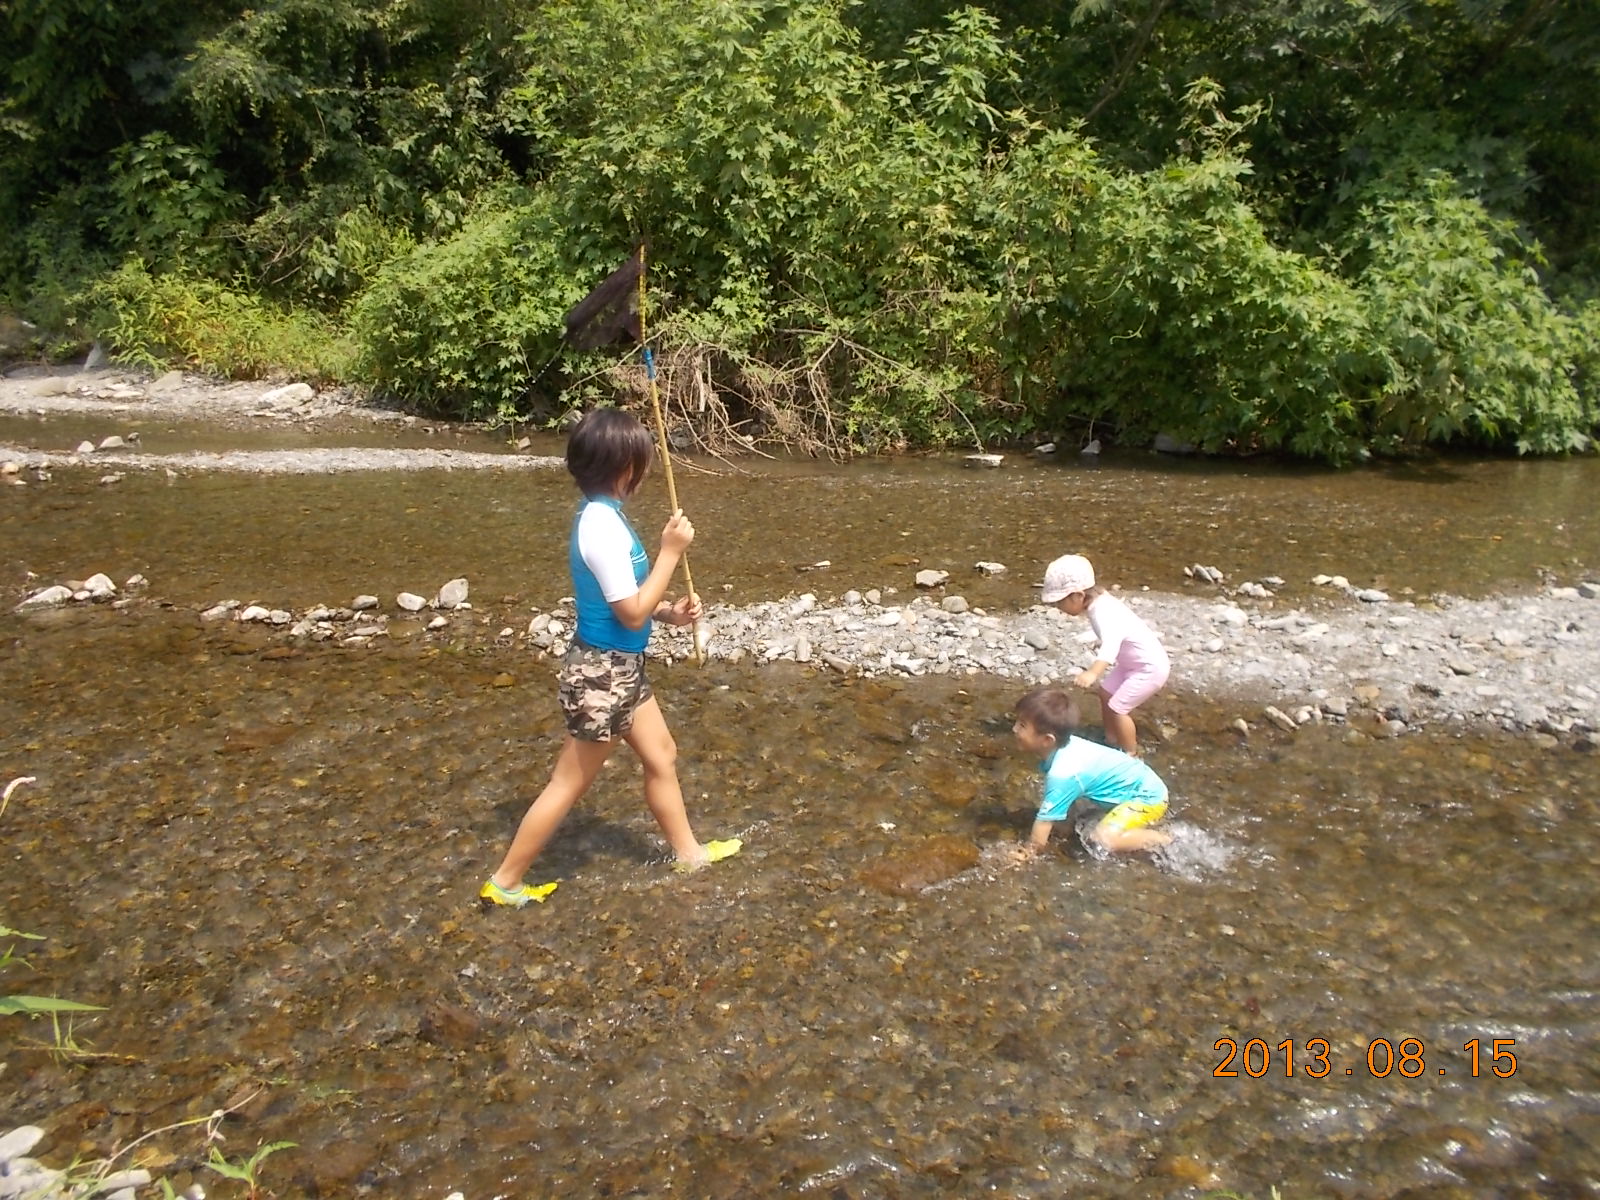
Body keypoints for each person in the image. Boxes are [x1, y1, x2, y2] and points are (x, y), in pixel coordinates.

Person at [480, 407, 741, 907]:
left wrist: (670, 614)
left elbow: (630, 603)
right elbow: (627, 613)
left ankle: (689, 856)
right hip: (600, 675)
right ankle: (505, 882)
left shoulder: (609, 518)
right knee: (567, 784)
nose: (643, 471)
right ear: (624, 467)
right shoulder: (599, 528)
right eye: (640, 462)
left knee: (661, 755)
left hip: (620, 669)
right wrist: (669, 553)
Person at [1008, 685, 1172, 856]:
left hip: (1148, 799)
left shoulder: (1063, 774)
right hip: (1141, 783)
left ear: (1047, 740)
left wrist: (1025, 854)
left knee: (1101, 839)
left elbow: (1041, 830)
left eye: (1022, 725)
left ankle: (1165, 840)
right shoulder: (1066, 747)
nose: (1014, 729)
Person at [1040, 553, 1170, 757]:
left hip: (1149, 669)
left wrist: (1092, 673)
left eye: (1060, 602)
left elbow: (1111, 647)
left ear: (1078, 596)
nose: (1058, 608)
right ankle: (1111, 738)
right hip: (1132, 665)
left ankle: (1130, 756)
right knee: (1106, 693)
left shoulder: (1102, 612)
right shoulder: (1100, 602)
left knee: (1119, 707)